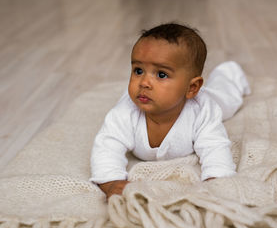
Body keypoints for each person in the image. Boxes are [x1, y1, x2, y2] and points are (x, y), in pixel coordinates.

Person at [90, 23, 250, 199]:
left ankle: (229, 72)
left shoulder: (203, 109)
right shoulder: (125, 112)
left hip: (208, 98)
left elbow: (215, 146)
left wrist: (217, 178)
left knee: (228, 98)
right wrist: (111, 181)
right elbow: (107, 146)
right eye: (138, 70)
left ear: (192, 87)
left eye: (161, 75)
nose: (144, 82)